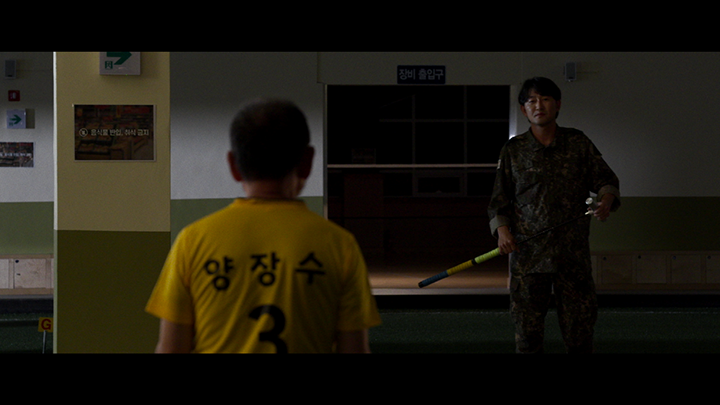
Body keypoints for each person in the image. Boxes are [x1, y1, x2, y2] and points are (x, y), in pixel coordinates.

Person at [146, 99, 381, 353]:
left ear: (233, 165)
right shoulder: (340, 245)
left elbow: (171, 348)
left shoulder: (192, 241)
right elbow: (354, 349)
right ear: (308, 161)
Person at [487, 77, 620, 353]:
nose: (539, 106)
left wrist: (606, 201)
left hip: (572, 256)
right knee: (527, 335)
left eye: (545, 99)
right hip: (528, 257)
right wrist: (502, 231)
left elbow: (606, 180)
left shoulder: (577, 143)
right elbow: (499, 200)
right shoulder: (513, 150)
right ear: (523, 109)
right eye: (532, 101)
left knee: (580, 333)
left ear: (557, 104)